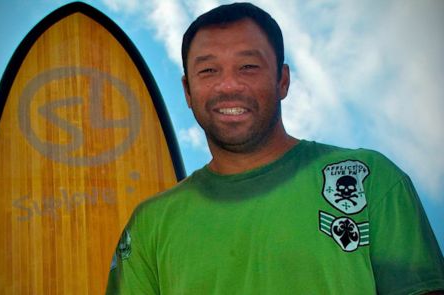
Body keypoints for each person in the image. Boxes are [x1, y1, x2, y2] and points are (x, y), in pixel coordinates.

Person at [106, 2, 444, 294]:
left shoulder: (369, 179)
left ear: (282, 80)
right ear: (188, 91)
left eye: (248, 67)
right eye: (208, 70)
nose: (228, 85)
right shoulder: (151, 225)